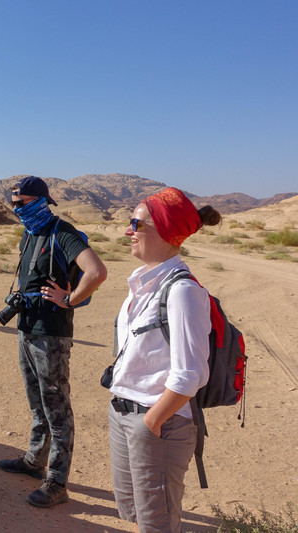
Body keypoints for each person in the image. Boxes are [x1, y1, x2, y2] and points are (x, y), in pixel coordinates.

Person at [107, 187, 221, 532]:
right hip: (124, 413)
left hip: (159, 424)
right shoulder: (145, 283)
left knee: (158, 524)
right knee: (135, 514)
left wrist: (151, 423)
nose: (128, 231)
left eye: (135, 224)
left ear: (165, 231)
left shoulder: (183, 291)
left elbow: (190, 374)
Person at [0, 176, 107, 508]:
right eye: (14, 203)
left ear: (41, 202)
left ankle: (57, 483)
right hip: (27, 327)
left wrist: (69, 299)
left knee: (57, 408)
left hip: (52, 334)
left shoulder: (63, 232)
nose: (17, 209)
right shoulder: (30, 233)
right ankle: (34, 461)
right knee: (36, 401)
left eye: (22, 203)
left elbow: (96, 272)